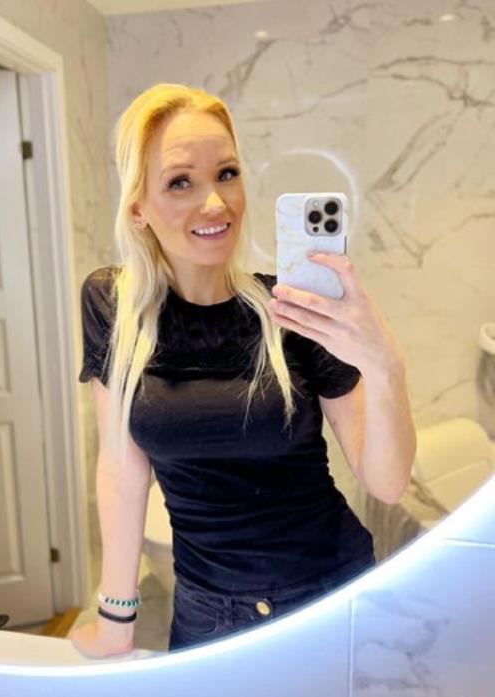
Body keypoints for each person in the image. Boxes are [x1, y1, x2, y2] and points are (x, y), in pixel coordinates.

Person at [68, 82, 416, 658]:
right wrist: (115, 620)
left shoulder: (293, 309)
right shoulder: (115, 305)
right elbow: (122, 470)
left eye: (226, 174)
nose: (215, 204)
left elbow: (387, 482)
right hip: (207, 612)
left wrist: (386, 365)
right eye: (180, 182)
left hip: (332, 597)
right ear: (138, 208)